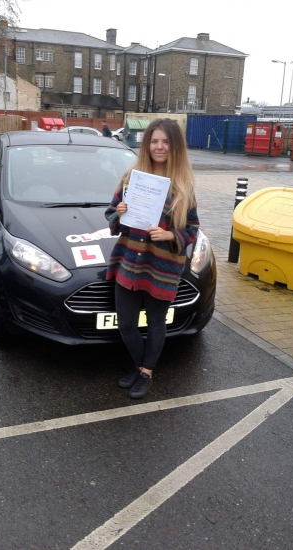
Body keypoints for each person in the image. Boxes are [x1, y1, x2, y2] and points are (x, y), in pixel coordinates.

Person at [104, 118, 199, 399]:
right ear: (147, 145)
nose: (159, 147)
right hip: (128, 262)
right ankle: (139, 364)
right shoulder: (130, 178)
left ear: (175, 147)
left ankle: (146, 372)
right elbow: (110, 215)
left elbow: (192, 229)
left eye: (165, 142)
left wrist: (169, 236)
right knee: (126, 325)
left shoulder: (183, 188)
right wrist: (118, 212)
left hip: (161, 267)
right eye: (154, 141)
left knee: (157, 323)